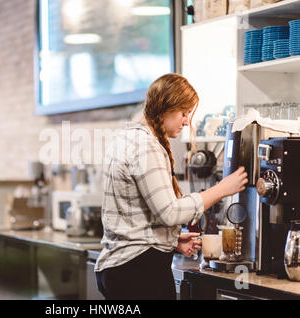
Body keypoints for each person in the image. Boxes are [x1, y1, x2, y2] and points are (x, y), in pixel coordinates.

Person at [94, 73, 248, 300]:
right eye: (184, 113)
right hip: (138, 273)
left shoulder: (126, 138)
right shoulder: (146, 146)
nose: (187, 121)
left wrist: (170, 240)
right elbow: (170, 212)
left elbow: (137, 214)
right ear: (166, 107)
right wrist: (222, 188)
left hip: (120, 268)